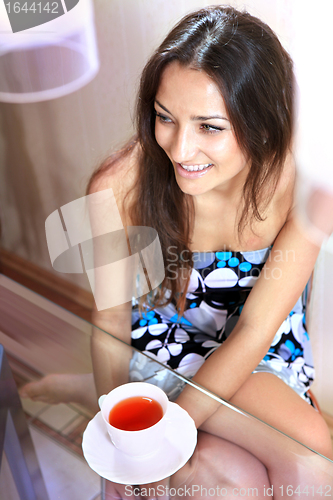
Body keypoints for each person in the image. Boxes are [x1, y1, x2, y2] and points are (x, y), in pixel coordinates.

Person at [20, 5, 333, 497]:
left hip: (256, 339)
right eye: (165, 118)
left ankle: (94, 391)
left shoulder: (308, 188)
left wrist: (173, 430)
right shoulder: (115, 187)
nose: (181, 149)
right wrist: (131, 439)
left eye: (209, 127)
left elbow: (253, 331)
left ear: (264, 125)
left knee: (316, 460)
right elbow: (108, 329)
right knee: (235, 483)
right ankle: (107, 390)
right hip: (160, 340)